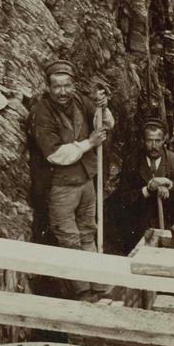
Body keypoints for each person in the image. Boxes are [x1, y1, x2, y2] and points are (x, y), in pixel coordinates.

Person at [28, 63, 114, 258]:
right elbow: (55, 154)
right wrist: (89, 143)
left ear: (73, 85)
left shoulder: (79, 102)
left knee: (88, 231)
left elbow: (104, 124)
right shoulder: (41, 113)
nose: (62, 91)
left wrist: (104, 108)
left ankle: (96, 283)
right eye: (57, 87)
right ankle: (80, 288)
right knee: (69, 241)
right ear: (48, 88)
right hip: (60, 187)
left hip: (86, 182)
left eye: (67, 85)